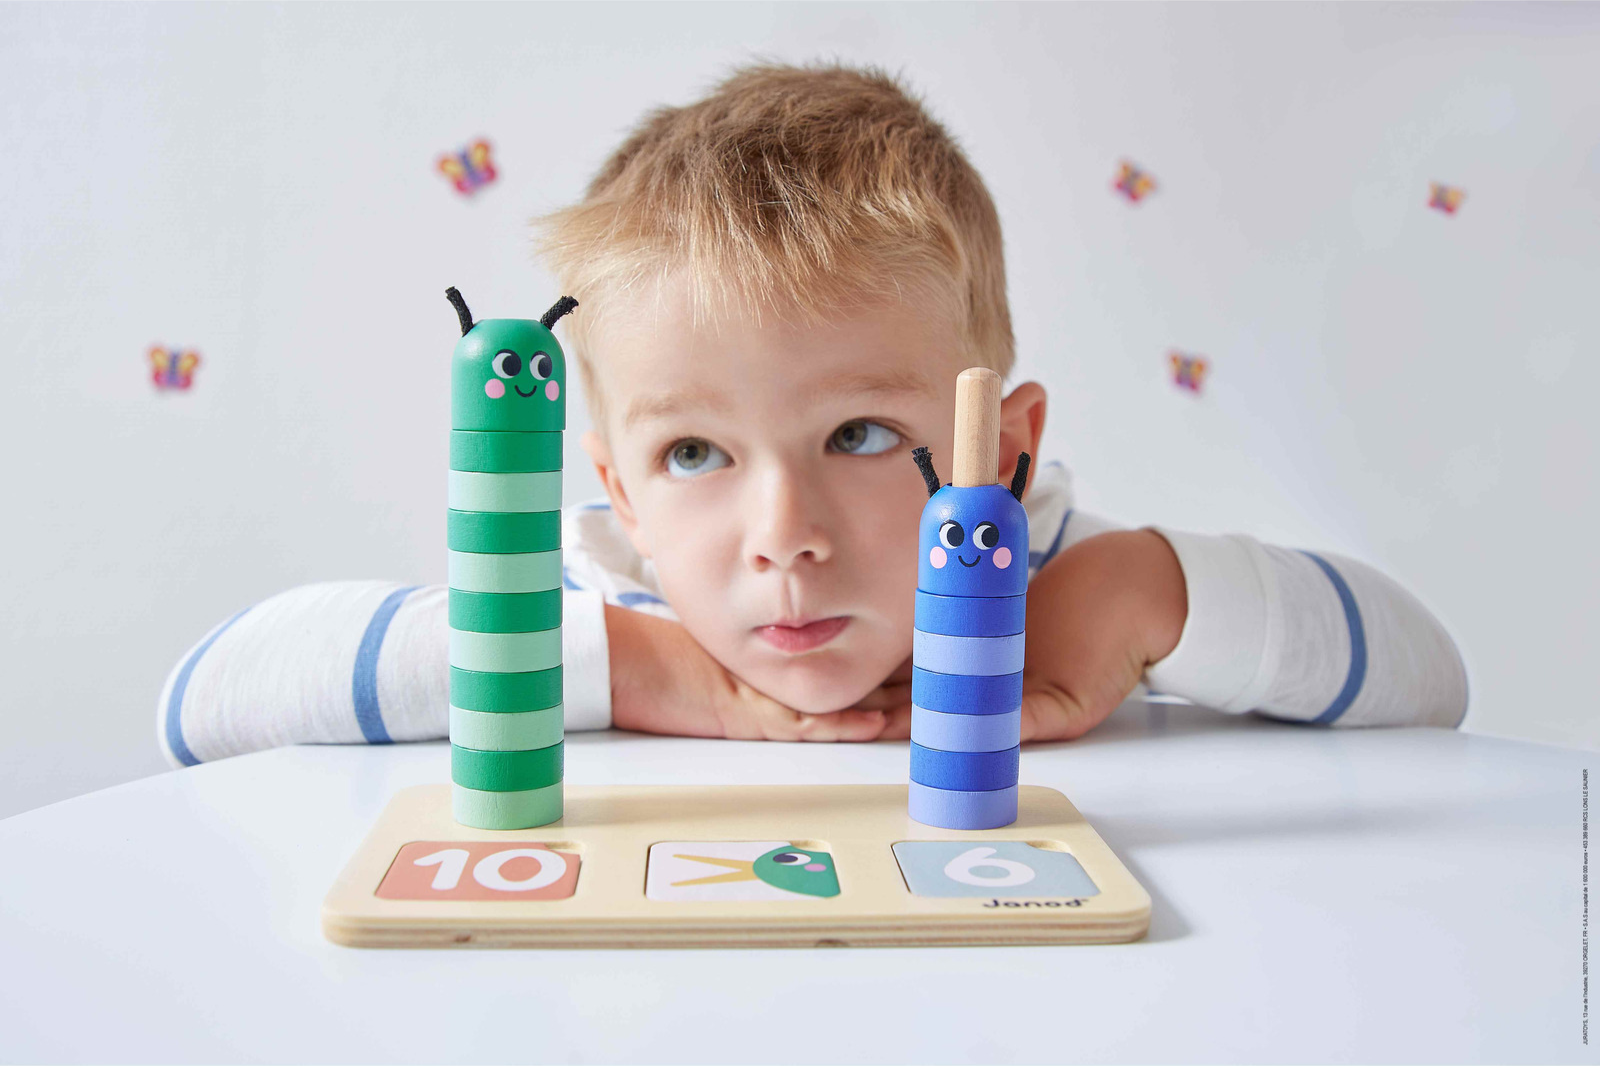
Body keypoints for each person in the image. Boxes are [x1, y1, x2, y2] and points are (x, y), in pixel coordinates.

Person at [158, 63, 1466, 766]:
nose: (783, 535)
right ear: (619, 489)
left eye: (856, 434)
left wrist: (1151, 593)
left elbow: (1430, 680)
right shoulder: (606, 601)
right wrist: (656, 674)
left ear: (999, 452)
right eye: (693, 453)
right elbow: (205, 695)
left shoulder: (1045, 581)